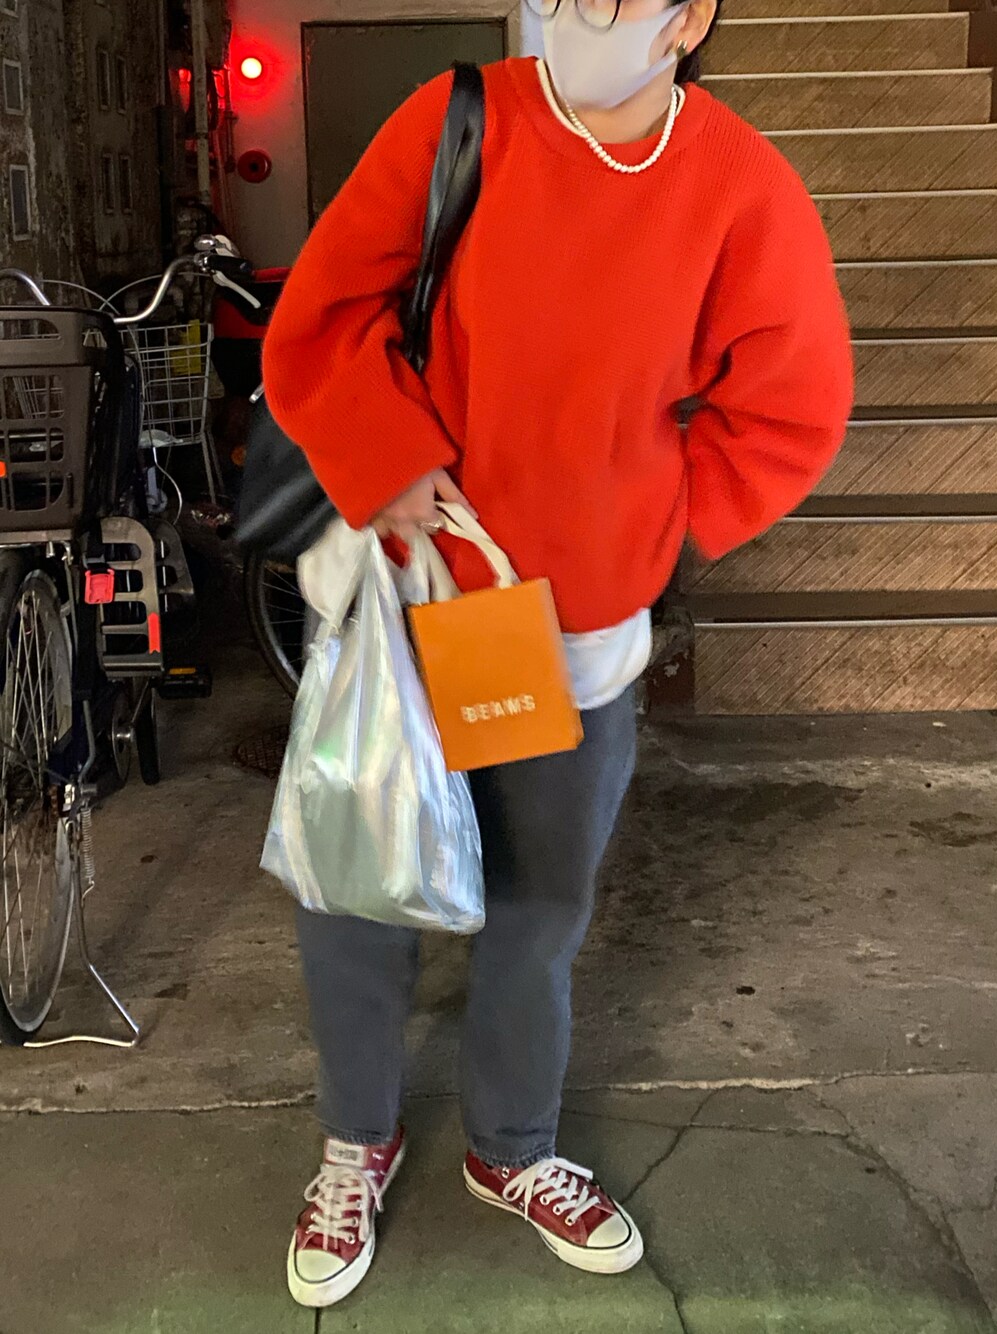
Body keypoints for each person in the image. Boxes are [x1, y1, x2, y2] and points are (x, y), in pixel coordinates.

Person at [262, 0, 854, 1309]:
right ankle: (356, 1141)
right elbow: (327, 307)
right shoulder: (460, 122)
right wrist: (386, 455)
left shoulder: (738, 186)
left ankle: (512, 1145)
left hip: (574, 632)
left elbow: (792, 400)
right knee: (358, 888)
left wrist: (652, 515)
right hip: (412, 599)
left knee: (536, 909)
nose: (587, 9)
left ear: (690, 19)